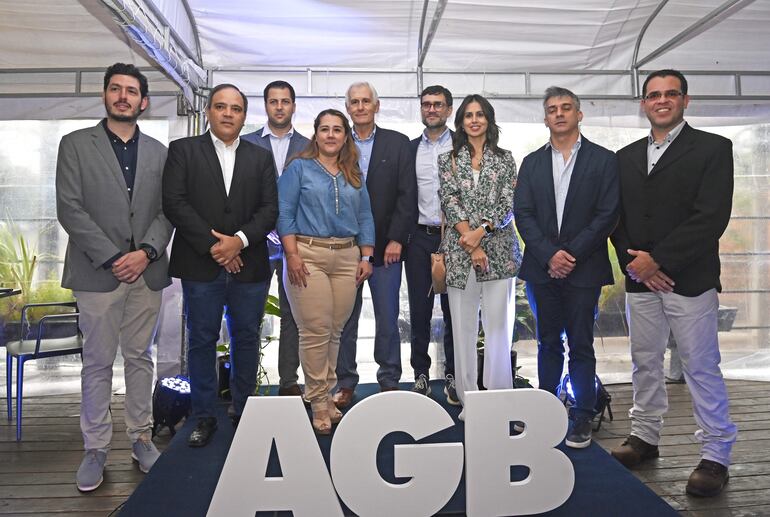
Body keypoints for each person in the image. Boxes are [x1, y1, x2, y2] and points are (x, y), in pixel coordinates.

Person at [610, 69, 737, 497]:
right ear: (643, 103)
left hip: (690, 278)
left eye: (670, 94)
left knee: (700, 366)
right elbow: (616, 218)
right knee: (644, 360)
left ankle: (716, 454)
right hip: (640, 280)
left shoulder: (714, 148)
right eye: (653, 95)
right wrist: (637, 265)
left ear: (685, 100)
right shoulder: (625, 157)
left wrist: (658, 260)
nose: (661, 100)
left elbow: (711, 216)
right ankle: (645, 437)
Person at [56, 63, 173, 491]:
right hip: (97, 273)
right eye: (116, 89)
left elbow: (168, 210)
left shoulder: (161, 152)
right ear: (105, 95)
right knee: (98, 362)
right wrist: (113, 258)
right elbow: (70, 209)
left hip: (147, 271)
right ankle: (95, 448)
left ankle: (141, 438)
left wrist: (145, 253)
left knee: (140, 358)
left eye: (131, 91)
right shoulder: (75, 145)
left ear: (144, 101)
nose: (123, 96)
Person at [162, 83, 278, 447]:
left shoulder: (260, 157)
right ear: (209, 111)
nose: (228, 114)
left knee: (247, 338)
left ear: (244, 116)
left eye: (236, 109)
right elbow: (174, 202)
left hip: (249, 264)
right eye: (221, 107)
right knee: (201, 340)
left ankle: (244, 411)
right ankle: (203, 416)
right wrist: (216, 246)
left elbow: (269, 210)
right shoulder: (183, 150)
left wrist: (238, 241)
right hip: (201, 264)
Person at [514, 86, 619, 448]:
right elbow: (523, 214)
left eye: (566, 107)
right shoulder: (531, 163)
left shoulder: (604, 160)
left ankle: (582, 416)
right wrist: (549, 255)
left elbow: (608, 214)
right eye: (552, 109)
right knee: (546, 343)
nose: (559, 113)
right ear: (545, 118)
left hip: (584, 268)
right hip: (541, 269)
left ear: (579, 114)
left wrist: (569, 254)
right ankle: (546, 411)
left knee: (581, 344)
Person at [277, 108, 375, 434]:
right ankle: (318, 400)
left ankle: (328, 393)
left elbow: (365, 216)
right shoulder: (298, 168)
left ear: (346, 136)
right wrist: (291, 254)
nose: (331, 135)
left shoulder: (353, 172)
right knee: (315, 331)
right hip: (308, 255)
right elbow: (284, 213)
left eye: (337, 130)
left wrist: (366, 255)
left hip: (347, 257)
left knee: (335, 330)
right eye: (325, 129)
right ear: (315, 135)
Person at [332, 82, 417, 407]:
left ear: (376, 106)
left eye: (366, 101)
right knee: (344, 319)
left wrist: (397, 239)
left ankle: (389, 379)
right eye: (354, 102)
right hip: (343, 249)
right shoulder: (336, 142)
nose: (360, 107)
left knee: (387, 317)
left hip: (386, 249)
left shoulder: (398, 143)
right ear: (348, 108)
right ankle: (345, 382)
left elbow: (407, 195)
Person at [437, 94, 521, 421]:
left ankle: (500, 400)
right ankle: (469, 400)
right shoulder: (448, 160)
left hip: (499, 250)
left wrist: (481, 232)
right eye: (469, 115)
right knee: (463, 329)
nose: (474, 120)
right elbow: (450, 201)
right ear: (460, 121)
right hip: (460, 254)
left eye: (480, 114)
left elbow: (508, 203)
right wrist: (471, 244)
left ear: (489, 120)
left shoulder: (505, 159)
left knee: (499, 328)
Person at [242, 80, 310, 397]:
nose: (279, 107)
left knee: (292, 316)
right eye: (273, 101)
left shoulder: (310, 146)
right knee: (249, 316)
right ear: (265, 105)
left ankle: (288, 383)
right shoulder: (245, 143)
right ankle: (245, 386)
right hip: (254, 243)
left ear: (293, 106)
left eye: (285, 101)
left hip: (296, 244)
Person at [406, 85, 457, 404]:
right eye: (426, 104)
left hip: (457, 238)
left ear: (449, 110)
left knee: (455, 311)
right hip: (419, 238)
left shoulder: (463, 145)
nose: (432, 109)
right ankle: (421, 374)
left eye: (438, 104)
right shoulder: (409, 148)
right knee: (420, 310)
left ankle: (453, 375)